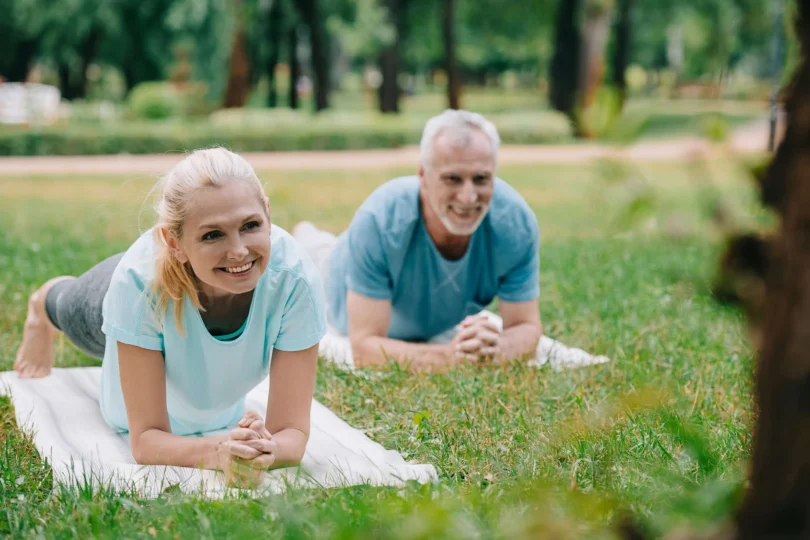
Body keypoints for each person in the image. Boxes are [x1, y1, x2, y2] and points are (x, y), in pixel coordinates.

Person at [14, 148, 327, 487]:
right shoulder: (136, 283)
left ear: (267, 212)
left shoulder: (294, 279)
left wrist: (264, 451)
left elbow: (291, 432)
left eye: (250, 225)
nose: (239, 251)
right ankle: (42, 304)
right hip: (133, 293)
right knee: (66, 306)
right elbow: (147, 439)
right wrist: (219, 453)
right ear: (173, 242)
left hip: (184, 286)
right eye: (212, 234)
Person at [294, 109, 542, 371]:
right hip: (332, 276)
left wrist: (492, 350)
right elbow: (364, 349)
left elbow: (527, 327)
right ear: (423, 176)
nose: (468, 197)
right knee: (311, 253)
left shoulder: (516, 225)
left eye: (481, 179)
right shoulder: (379, 220)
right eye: (452, 179)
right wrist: (451, 357)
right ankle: (306, 233)